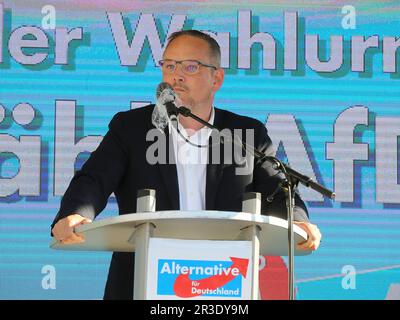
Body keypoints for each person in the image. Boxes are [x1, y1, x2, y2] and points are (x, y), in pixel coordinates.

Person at [51, 30, 322, 300]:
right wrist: (74, 213)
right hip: (141, 282)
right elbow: (94, 179)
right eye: (169, 65)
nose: (175, 76)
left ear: (217, 78)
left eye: (190, 66)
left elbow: (277, 187)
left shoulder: (245, 133)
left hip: (224, 284)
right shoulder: (131, 128)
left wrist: (298, 221)